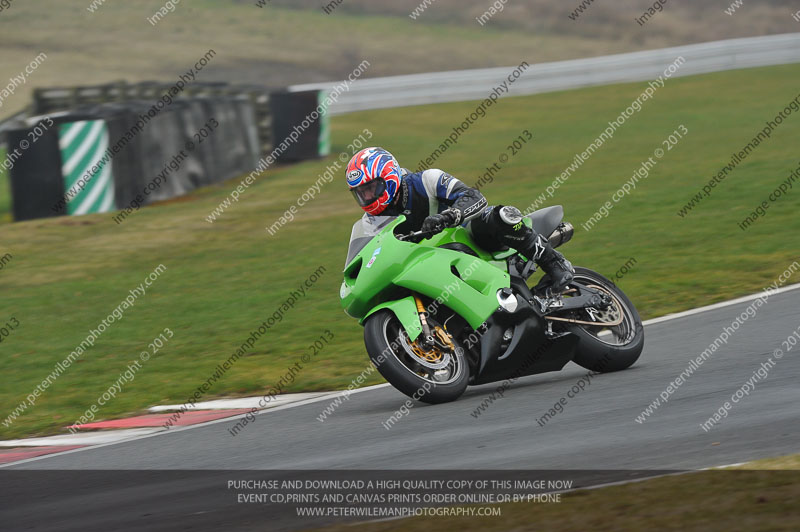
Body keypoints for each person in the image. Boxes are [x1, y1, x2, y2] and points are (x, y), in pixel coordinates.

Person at [346, 147, 574, 294]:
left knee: (496, 217)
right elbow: (367, 256)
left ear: (388, 176)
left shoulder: (426, 180)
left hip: (470, 241)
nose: (367, 197)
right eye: (361, 193)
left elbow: (475, 197)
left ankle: (554, 262)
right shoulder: (371, 223)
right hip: (429, 264)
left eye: (371, 188)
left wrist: (449, 216)